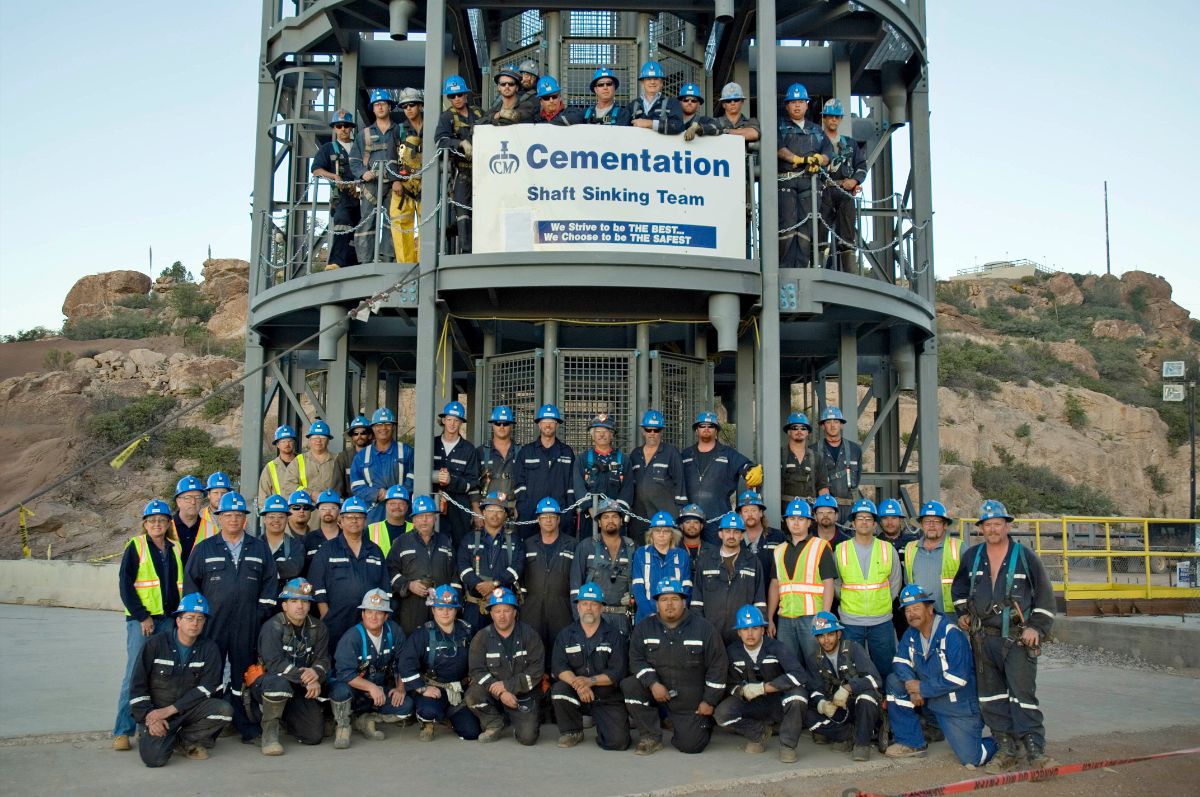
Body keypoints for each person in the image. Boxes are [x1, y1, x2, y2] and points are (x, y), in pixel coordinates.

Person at [952, 500, 1056, 772]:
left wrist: (1037, 627)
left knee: (1022, 694)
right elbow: (959, 587)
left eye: (997, 524)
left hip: (1018, 640)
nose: (993, 529)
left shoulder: (1025, 556)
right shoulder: (972, 557)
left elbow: (1045, 596)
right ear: (981, 529)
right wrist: (962, 612)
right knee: (991, 697)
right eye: (988, 525)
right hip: (983, 639)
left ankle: (1034, 749)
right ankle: (1006, 748)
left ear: (1007, 526)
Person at [183, 491, 278, 742]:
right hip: (214, 624)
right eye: (228, 515)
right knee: (211, 675)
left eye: (238, 515)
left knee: (242, 676)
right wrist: (198, 619)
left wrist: (260, 613)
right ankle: (209, 728)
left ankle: (244, 725)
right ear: (219, 518)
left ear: (245, 519)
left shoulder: (258, 548)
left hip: (247, 624)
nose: (234, 519)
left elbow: (270, 583)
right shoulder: (204, 549)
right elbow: (191, 586)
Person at [885, 586, 996, 768]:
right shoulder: (912, 633)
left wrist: (921, 688)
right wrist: (911, 685)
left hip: (957, 705)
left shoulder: (951, 634)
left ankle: (1005, 741)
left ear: (929, 610)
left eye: (916, 608)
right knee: (894, 681)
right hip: (931, 698)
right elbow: (899, 661)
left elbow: (958, 678)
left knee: (972, 758)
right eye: (907, 610)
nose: (911, 614)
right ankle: (912, 743)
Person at [622, 578, 727, 755]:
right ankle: (651, 736)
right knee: (630, 685)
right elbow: (636, 660)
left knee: (691, 746)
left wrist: (709, 700)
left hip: (689, 699)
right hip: (657, 691)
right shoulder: (644, 628)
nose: (669, 604)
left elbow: (718, 666)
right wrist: (653, 683)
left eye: (674, 599)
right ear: (657, 605)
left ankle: (697, 725)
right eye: (664, 600)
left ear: (683, 602)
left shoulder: (704, 628)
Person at [127, 594, 232, 766]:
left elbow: (207, 688)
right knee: (155, 760)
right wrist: (149, 716)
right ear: (178, 621)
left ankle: (184, 739)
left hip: (187, 711)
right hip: (157, 713)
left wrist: (171, 710)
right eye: (190, 618)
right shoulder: (155, 645)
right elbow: (137, 687)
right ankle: (158, 735)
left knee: (224, 711)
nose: (195, 623)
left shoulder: (209, 649)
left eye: (200, 619)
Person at [114, 499, 183, 752]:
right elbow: (125, 586)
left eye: (162, 521)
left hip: (168, 620)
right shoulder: (136, 546)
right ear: (145, 524)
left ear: (168, 524)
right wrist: (143, 616)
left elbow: (178, 586)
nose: (157, 524)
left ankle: (149, 727)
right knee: (134, 674)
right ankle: (122, 730)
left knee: (162, 676)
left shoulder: (174, 549)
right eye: (152, 520)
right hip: (143, 621)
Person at [715, 605, 809, 763]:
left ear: (763, 630)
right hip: (753, 704)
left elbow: (799, 675)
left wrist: (765, 687)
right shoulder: (732, 652)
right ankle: (759, 733)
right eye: (745, 629)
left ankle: (787, 746)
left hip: (779, 701)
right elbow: (730, 683)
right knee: (722, 714)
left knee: (798, 696)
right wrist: (742, 691)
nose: (750, 634)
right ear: (739, 632)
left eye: (755, 628)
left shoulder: (777, 647)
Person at [251, 578, 330, 755]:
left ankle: (285, 717)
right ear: (284, 605)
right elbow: (274, 664)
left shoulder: (319, 628)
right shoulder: (272, 626)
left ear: (310, 606)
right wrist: (306, 680)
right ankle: (269, 733)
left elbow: (323, 660)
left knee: (314, 736)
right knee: (279, 685)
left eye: (304, 601)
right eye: (294, 601)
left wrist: (315, 673)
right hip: (271, 682)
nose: (300, 606)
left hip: (299, 687)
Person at [550, 581, 630, 750]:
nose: (589, 608)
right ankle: (572, 731)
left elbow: (618, 671)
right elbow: (559, 667)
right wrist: (579, 684)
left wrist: (591, 681)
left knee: (618, 742)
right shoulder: (566, 635)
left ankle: (604, 725)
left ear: (601, 608)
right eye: (585, 603)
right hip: (576, 691)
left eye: (593, 604)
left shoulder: (614, 635)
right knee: (559, 690)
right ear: (578, 607)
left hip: (606, 696)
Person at [397, 584, 481, 741]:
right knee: (429, 710)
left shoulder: (468, 631)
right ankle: (427, 720)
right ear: (433, 610)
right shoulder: (422, 634)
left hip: (460, 690)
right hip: (434, 689)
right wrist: (421, 688)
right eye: (440, 608)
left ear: (456, 610)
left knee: (472, 733)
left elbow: (480, 659)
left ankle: (449, 715)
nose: (445, 612)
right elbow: (405, 664)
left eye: (450, 608)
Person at [330, 588, 412, 748]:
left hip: (378, 692)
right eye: (369, 612)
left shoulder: (394, 631)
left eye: (379, 612)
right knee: (340, 691)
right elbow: (345, 674)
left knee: (406, 706)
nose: (373, 617)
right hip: (354, 690)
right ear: (363, 614)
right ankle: (343, 726)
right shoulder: (351, 637)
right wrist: (371, 687)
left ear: (386, 616)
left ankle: (367, 719)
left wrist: (400, 688)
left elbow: (404, 662)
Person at [465, 587, 545, 744]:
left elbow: (536, 671)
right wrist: (501, 692)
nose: (502, 616)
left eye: (506, 611)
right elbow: (477, 670)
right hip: (493, 693)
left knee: (528, 738)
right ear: (491, 613)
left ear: (515, 612)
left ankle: (516, 722)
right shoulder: (481, 637)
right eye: (497, 611)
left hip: (522, 694)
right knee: (472, 695)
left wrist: (508, 686)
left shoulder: (530, 635)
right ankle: (494, 722)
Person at [308, 496, 390, 648]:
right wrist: (326, 613)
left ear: (365, 521)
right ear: (341, 520)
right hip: (336, 619)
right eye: (350, 517)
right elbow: (316, 583)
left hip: (369, 618)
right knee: (335, 659)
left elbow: (384, 585)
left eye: (359, 517)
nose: (354, 521)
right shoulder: (328, 549)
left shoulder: (375, 551)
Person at [803, 611, 883, 762]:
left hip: (859, 704)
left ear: (839, 634)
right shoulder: (814, 659)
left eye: (830, 634)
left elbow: (875, 680)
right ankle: (849, 734)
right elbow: (814, 689)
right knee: (806, 713)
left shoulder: (853, 649)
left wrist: (848, 688)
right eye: (821, 636)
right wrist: (821, 704)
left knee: (866, 698)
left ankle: (862, 744)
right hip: (838, 707)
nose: (826, 640)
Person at [835, 498, 901, 681]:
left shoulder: (887, 549)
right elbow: (835, 583)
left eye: (868, 518)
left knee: (885, 666)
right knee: (851, 668)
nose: (864, 522)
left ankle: (885, 703)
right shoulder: (841, 550)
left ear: (874, 523)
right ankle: (857, 703)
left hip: (881, 621)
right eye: (860, 518)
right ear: (854, 522)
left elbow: (895, 582)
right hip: (850, 620)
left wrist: (882, 602)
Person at [768, 498, 837, 662]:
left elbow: (829, 584)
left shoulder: (820, 546)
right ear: (786, 521)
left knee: (816, 664)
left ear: (809, 522)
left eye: (800, 519)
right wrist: (770, 618)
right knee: (789, 664)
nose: (796, 523)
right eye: (792, 519)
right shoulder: (778, 550)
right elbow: (774, 585)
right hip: (785, 618)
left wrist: (824, 616)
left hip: (812, 618)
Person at [521, 497, 576, 699]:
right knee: (533, 655)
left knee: (560, 655)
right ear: (538, 520)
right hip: (532, 608)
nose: (549, 521)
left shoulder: (572, 544)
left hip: (561, 608)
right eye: (544, 517)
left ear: (559, 519)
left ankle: (559, 701)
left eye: (553, 517)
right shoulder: (527, 545)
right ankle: (536, 701)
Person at [681, 411, 761, 544]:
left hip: (718, 517)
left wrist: (753, 470)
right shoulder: (685, 455)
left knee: (717, 558)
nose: (706, 429)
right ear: (697, 430)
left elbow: (746, 466)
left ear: (716, 430)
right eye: (702, 425)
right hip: (690, 519)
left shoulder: (727, 454)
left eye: (711, 426)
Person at [777, 83, 832, 268]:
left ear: (807, 105)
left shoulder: (817, 130)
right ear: (787, 106)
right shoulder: (780, 126)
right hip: (787, 180)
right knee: (788, 224)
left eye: (801, 101)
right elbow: (779, 149)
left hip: (809, 183)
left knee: (806, 228)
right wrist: (798, 159)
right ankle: (784, 267)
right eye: (793, 102)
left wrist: (819, 159)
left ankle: (801, 267)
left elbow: (828, 153)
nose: (797, 105)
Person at [691, 510, 766, 645]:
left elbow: (759, 601)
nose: (731, 536)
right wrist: (699, 629)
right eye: (727, 531)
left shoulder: (753, 562)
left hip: (743, 631)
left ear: (742, 535)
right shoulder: (705, 560)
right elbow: (697, 602)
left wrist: (759, 628)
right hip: (711, 632)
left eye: (736, 532)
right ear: (720, 534)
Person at [387, 494, 457, 633]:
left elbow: (455, 574)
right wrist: (409, 585)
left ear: (435, 518)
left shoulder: (446, 541)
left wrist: (452, 599)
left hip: (442, 608)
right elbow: (390, 571)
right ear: (413, 519)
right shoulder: (401, 542)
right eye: (419, 516)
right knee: (413, 645)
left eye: (428, 516)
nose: (424, 520)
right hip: (411, 608)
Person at [458, 492, 526, 632]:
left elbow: (517, 567)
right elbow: (462, 566)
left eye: (499, 511)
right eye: (490, 510)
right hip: (474, 607)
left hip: (504, 607)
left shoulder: (514, 541)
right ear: (483, 512)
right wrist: (479, 585)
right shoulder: (469, 539)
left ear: (506, 514)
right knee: (473, 646)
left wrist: (494, 584)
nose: (495, 515)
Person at [570, 499, 637, 635]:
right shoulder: (586, 546)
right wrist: (579, 620)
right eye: (605, 517)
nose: (610, 520)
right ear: (599, 522)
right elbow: (575, 587)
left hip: (623, 620)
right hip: (593, 618)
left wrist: (633, 598)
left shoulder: (633, 548)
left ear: (621, 520)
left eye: (614, 516)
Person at [350, 88, 401, 264]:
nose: (380, 107)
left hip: (393, 185)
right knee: (367, 222)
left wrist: (398, 180)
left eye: (383, 104)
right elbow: (355, 159)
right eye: (377, 104)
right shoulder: (363, 135)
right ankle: (365, 261)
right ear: (373, 108)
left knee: (391, 223)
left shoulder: (398, 132)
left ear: (390, 107)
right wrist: (363, 173)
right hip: (370, 185)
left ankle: (387, 258)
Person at [434, 74, 483, 254]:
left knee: (483, 209)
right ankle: (466, 250)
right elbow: (440, 141)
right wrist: (460, 144)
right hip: (461, 171)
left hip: (482, 171)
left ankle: (483, 248)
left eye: (459, 94)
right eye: (452, 96)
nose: (456, 99)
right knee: (462, 212)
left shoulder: (478, 114)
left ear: (466, 95)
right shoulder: (447, 117)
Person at [818, 98, 867, 272]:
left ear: (840, 119)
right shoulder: (816, 142)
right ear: (824, 117)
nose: (833, 120)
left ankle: (850, 274)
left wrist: (854, 181)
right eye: (830, 116)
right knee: (819, 234)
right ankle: (818, 269)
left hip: (844, 191)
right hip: (822, 192)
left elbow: (861, 166)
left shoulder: (850, 144)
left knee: (847, 236)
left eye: (837, 117)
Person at [513, 403, 577, 537]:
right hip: (531, 513)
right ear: (539, 424)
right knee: (529, 551)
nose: (548, 425)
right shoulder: (526, 452)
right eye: (545, 421)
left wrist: (569, 509)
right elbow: (519, 483)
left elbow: (572, 484)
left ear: (557, 425)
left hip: (560, 512)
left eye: (552, 422)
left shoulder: (566, 452)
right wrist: (524, 508)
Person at [310, 109, 360, 270]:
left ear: (351, 127)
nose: (343, 129)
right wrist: (334, 176)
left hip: (362, 195)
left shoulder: (359, 147)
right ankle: (336, 262)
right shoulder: (328, 149)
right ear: (334, 128)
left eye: (346, 125)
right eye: (339, 126)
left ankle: (356, 262)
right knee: (342, 222)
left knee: (361, 229)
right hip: (342, 196)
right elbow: (316, 170)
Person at [349, 407, 415, 523]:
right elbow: (356, 485)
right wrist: (377, 493)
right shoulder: (362, 456)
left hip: (402, 513)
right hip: (373, 514)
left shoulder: (406, 452)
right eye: (379, 425)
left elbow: (414, 477)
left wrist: (395, 495)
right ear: (373, 428)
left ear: (393, 427)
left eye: (387, 424)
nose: (383, 428)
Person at [627, 409, 687, 538]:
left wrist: (679, 514)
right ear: (643, 431)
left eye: (656, 430)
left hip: (665, 515)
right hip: (639, 517)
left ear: (662, 432)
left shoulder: (671, 453)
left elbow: (680, 484)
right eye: (649, 430)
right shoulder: (635, 455)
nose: (652, 433)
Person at [574, 412, 633, 538]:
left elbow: (628, 489)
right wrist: (591, 509)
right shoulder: (582, 460)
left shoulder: (623, 460)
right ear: (592, 435)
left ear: (612, 435)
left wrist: (617, 514)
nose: (601, 434)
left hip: (615, 520)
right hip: (589, 519)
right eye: (598, 431)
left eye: (606, 431)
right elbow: (578, 486)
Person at [432, 400, 480, 550]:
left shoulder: (468, 449)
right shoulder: (431, 444)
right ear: (444, 420)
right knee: (435, 544)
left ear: (461, 423)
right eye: (449, 419)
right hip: (434, 501)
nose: (452, 424)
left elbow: (472, 482)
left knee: (461, 545)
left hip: (459, 506)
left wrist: (451, 481)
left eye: (456, 420)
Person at [631, 511, 692, 624]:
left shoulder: (682, 555)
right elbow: (638, 588)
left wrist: (677, 613)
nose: (661, 534)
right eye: (657, 530)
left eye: (666, 531)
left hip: (675, 618)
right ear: (651, 534)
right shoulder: (640, 554)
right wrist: (650, 614)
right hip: (646, 617)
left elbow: (686, 588)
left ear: (672, 534)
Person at [905, 501, 962, 614]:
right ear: (921, 524)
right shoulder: (910, 548)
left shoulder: (959, 547)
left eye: (936, 521)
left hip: (951, 615)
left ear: (944, 525)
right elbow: (908, 581)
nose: (931, 525)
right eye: (927, 521)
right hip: (920, 616)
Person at [391, 87, 424, 264]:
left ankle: (424, 261)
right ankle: (405, 265)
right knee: (400, 222)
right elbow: (391, 157)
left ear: (420, 105)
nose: (408, 109)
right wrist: (395, 180)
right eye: (405, 106)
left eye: (412, 105)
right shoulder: (399, 130)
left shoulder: (432, 125)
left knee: (428, 223)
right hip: (404, 184)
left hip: (426, 182)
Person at [817, 406, 863, 523]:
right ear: (823, 425)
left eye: (836, 422)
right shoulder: (813, 451)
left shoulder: (855, 450)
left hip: (849, 510)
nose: (833, 425)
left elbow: (857, 479)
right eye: (828, 422)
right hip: (824, 510)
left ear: (841, 425)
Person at [477, 405, 518, 521]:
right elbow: (474, 484)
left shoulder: (521, 452)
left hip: (513, 510)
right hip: (489, 510)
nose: (501, 427)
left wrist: (520, 506)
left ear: (511, 426)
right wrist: (477, 511)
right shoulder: (480, 452)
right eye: (497, 423)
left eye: (505, 424)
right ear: (492, 425)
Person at [781, 412, 829, 509]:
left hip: (809, 512)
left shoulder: (817, 458)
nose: (799, 431)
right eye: (795, 427)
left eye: (803, 428)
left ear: (807, 432)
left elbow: (823, 487)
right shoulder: (779, 456)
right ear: (788, 432)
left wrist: (823, 509)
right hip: (785, 513)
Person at [282, 420, 338, 502]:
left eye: (323, 437)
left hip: (331, 509)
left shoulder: (337, 460)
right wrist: (310, 494)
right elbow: (288, 485)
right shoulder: (298, 461)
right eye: (315, 437)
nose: (318, 441)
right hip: (306, 509)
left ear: (328, 440)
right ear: (309, 440)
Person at [627, 60, 683, 134]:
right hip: (638, 145)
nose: (652, 82)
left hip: (662, 145)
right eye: (648, 79)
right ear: (642, 82)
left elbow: (678, 126)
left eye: (656, 78)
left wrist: (650, 124)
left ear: (662, 83)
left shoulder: (672, 103)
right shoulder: (632, 105)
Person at [738, 490, 786, 574]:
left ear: (761, 513)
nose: (750, 514)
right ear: (740, 515)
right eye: (746, 511)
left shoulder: (777, 536)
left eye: (753, 510)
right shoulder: (735, 539)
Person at [261, 494, 305, 583]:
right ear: (264, 519)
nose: (276, 520)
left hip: (285, 596)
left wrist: (262, 569)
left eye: (281, 516)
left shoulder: (296, 546)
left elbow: (294, 569)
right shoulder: (254, 545)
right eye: (271, 516)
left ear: (287, 519)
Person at [332, 415, 372, 499]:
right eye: (355, 433)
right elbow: (337, 489)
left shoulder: (378, 456)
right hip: (350, 507)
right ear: (352, 436)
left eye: (363, 433)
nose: (359, 436)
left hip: (374, 503)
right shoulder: (343, 458)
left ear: (369, 435)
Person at [366, 484, 411, 557]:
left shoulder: (416, 529)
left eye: (401, 504)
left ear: (407, 506)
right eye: (393, 503)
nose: (397, 507)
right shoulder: (370, 530)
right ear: (386, 505)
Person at [304, 489, 344, 569]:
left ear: (339, 511)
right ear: (318, 510)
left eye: (333, 508)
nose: (328, 511)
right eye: (323, 508)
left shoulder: (347, 537)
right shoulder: (308, 539)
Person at [259, 424, 299, 503]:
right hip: (279, 511)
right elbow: (263, 495)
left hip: (300, 510)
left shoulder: (303, 462)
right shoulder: (270, 467)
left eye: (290, 441)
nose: (287, 444)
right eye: (283, 441)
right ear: (277, 445)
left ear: (294, 442)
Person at [171, 475, 205, 563]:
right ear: (178, 501)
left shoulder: (212, 529)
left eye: (197, 497)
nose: (193, 502)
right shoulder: (165, 528)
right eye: (188, 498)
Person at [198, 472, 231, 547]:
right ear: (209, 494)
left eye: (223, 493)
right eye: (216, 493)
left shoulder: (239, 517)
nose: (220, 497)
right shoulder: (199, 516)